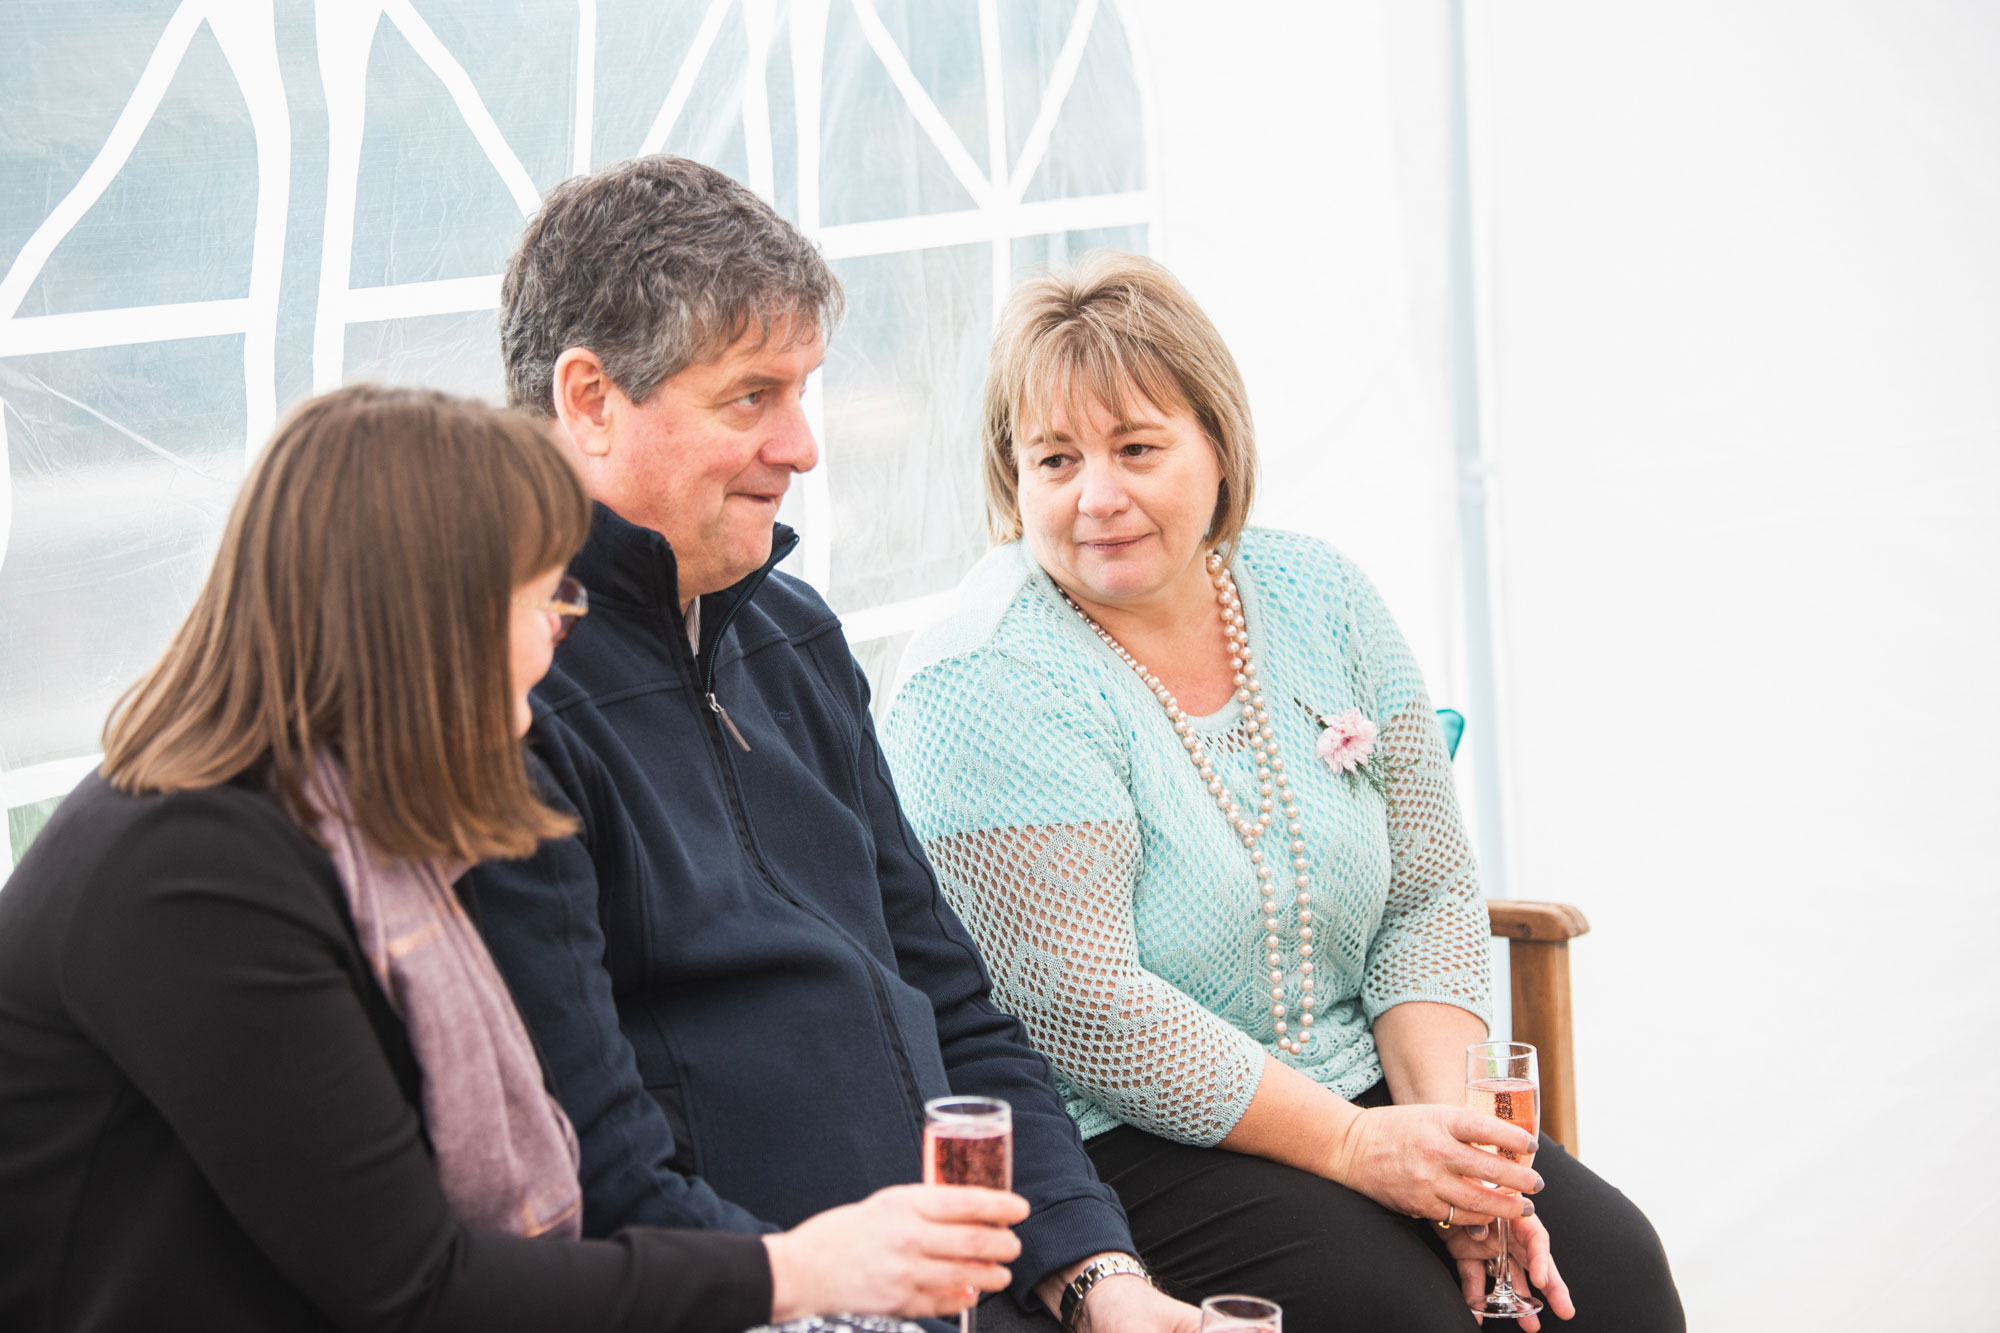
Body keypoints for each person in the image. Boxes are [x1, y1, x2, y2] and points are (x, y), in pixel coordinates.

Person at [0, 385, 1029, 1333]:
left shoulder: (338, 830)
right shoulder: (193, 875)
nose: (554, 642)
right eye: (542, 600)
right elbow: (415, 1285)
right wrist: (792, 1271)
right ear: (425, 618)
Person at [880, 253, 1686, 1331]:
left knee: (1614, 1273)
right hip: (1127, 1138)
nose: (1096, 495)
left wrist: (1455, 1158)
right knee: (1403, 1317)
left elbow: (1425, 892)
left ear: (1218, 444)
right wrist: (1360, 1148)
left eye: (1135, 448)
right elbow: (1089, 1013)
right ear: (1009, 476)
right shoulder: (982, 678)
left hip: (1373, 1089)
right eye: (1054, 459)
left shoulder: (1321, 597)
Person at [471, 156, 1195, 1333]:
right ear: (590, 400)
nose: (802, 447)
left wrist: (1097, 1273)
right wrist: (822, 1289)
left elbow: (956, 1006)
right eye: (750, 398)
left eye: (803, 390)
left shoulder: (791, 636)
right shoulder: (512, 700)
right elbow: (593, 1166)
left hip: (955, 1289)